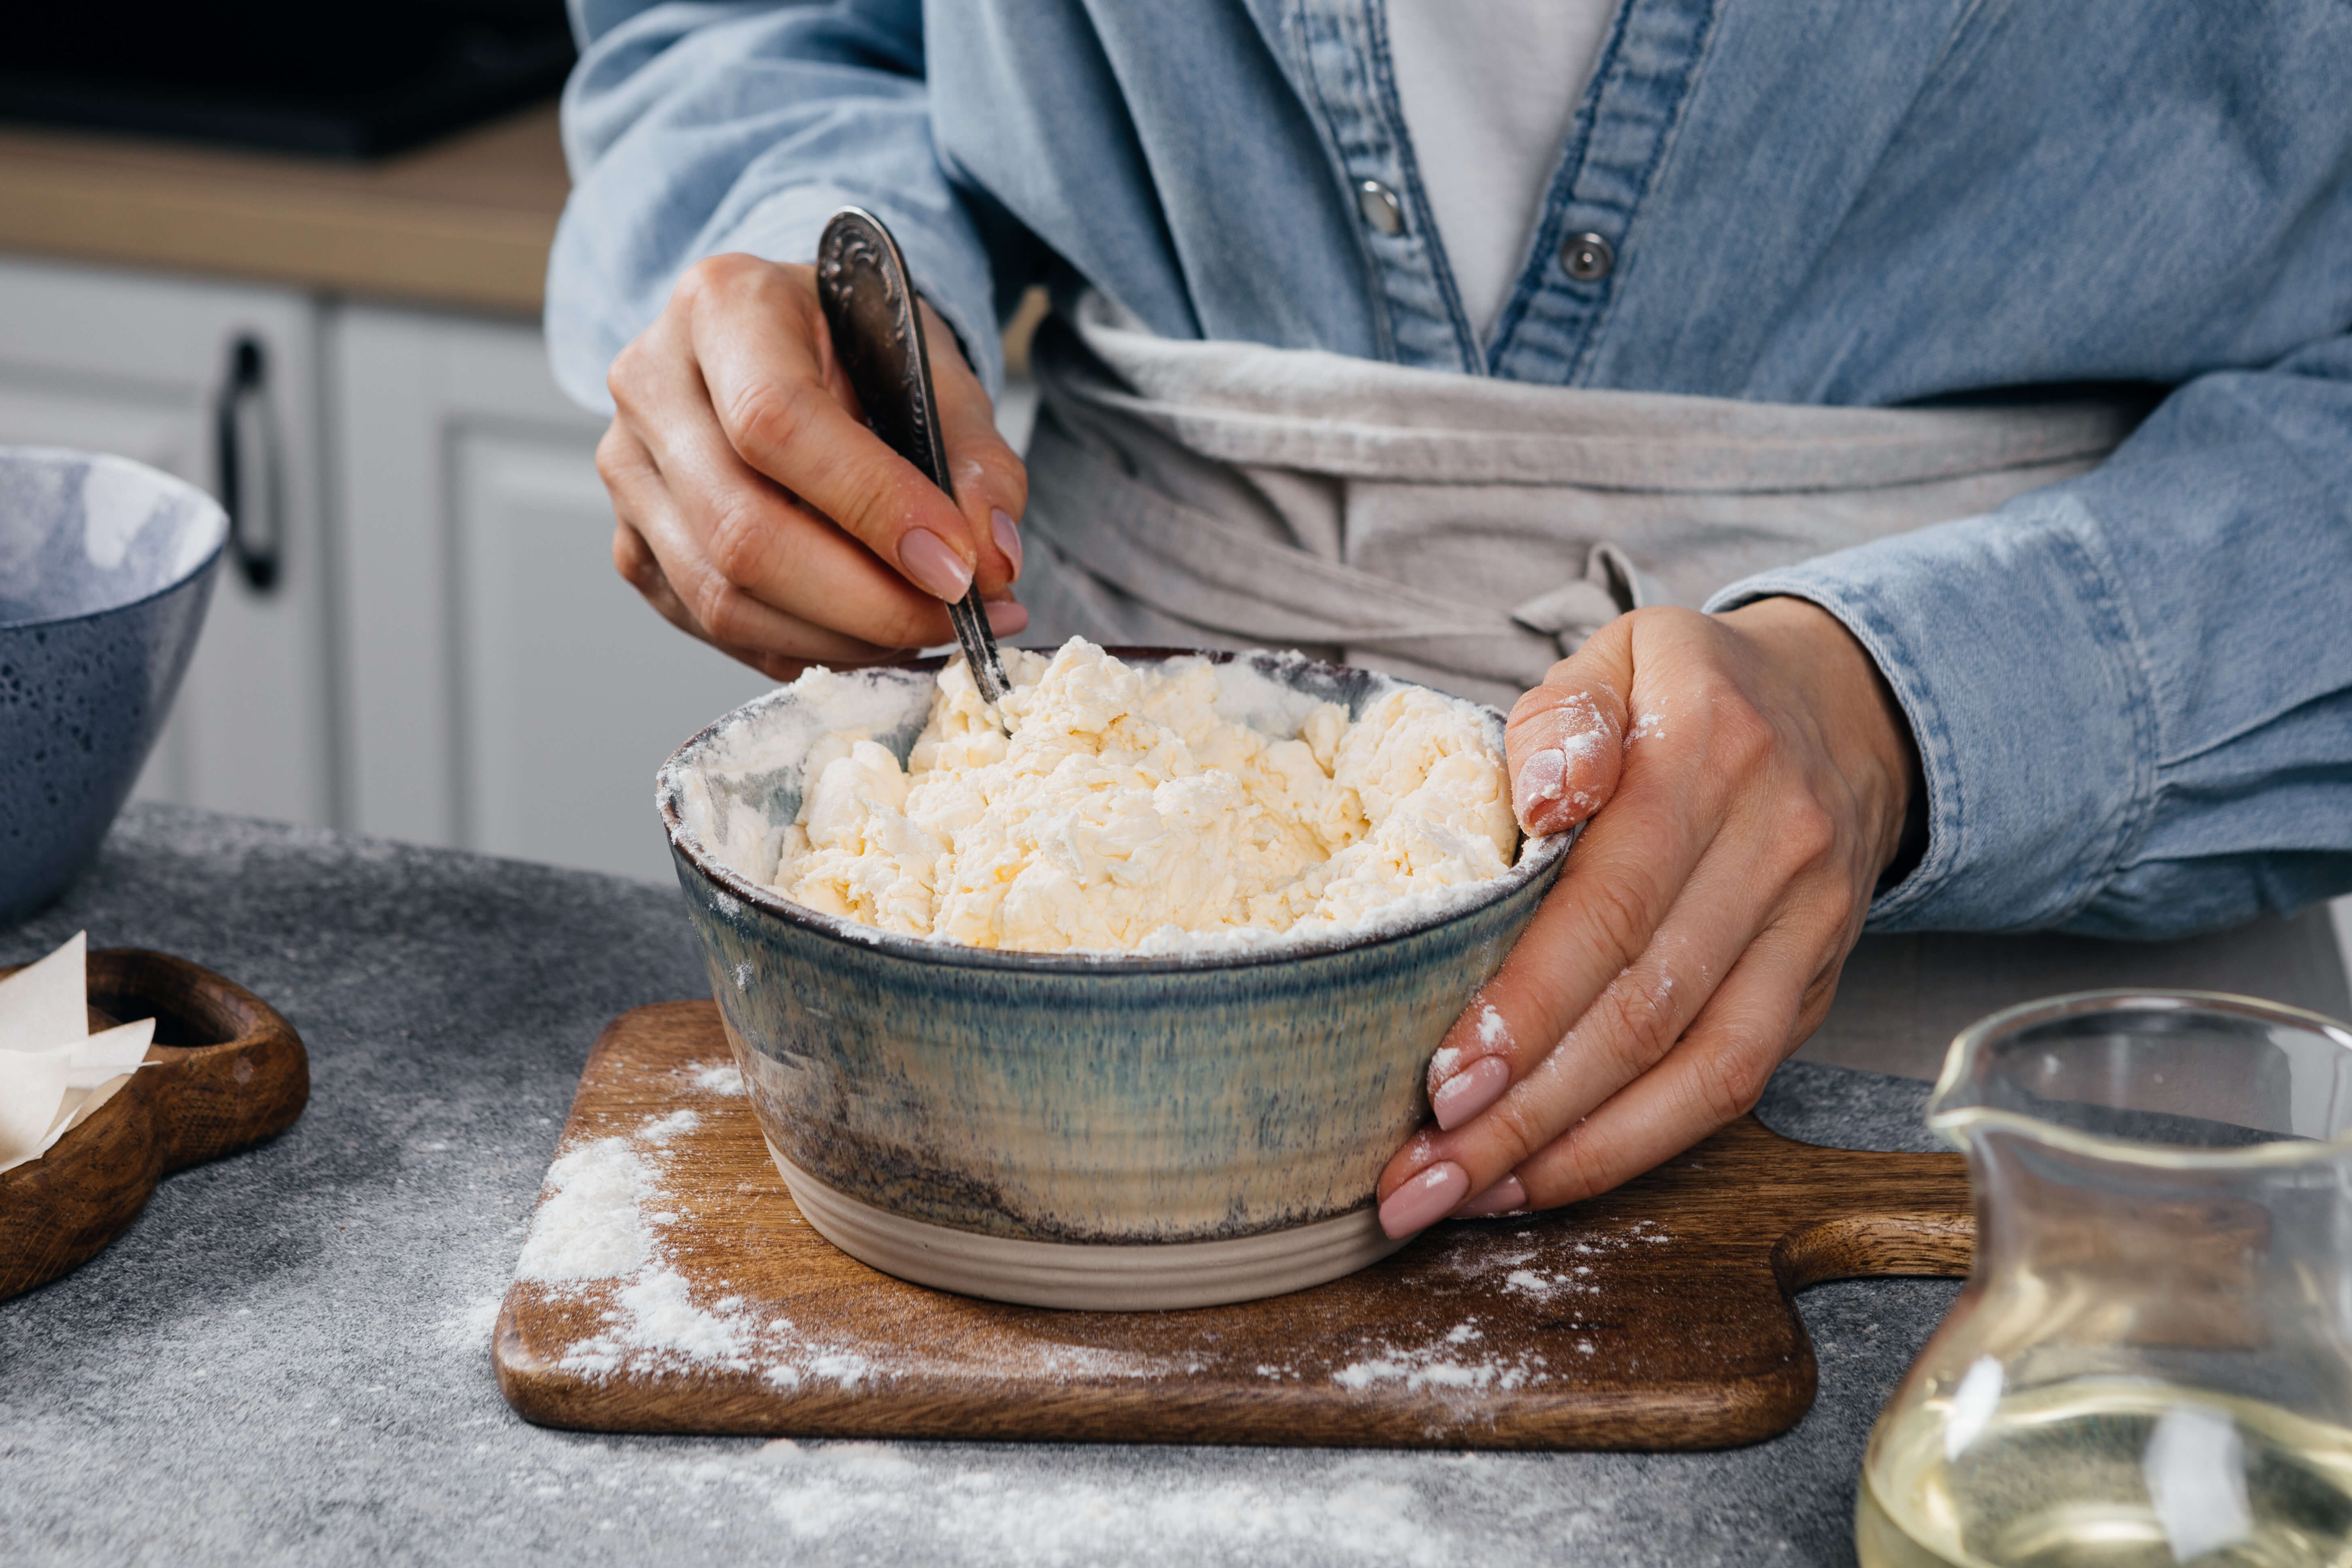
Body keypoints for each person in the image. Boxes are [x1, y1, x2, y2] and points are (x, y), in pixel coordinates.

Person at [546, 1, 2352, 1240]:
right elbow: (744, 28)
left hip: (2030, 1087)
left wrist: (1904, 712)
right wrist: (785, 256)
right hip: (1049, 1013)